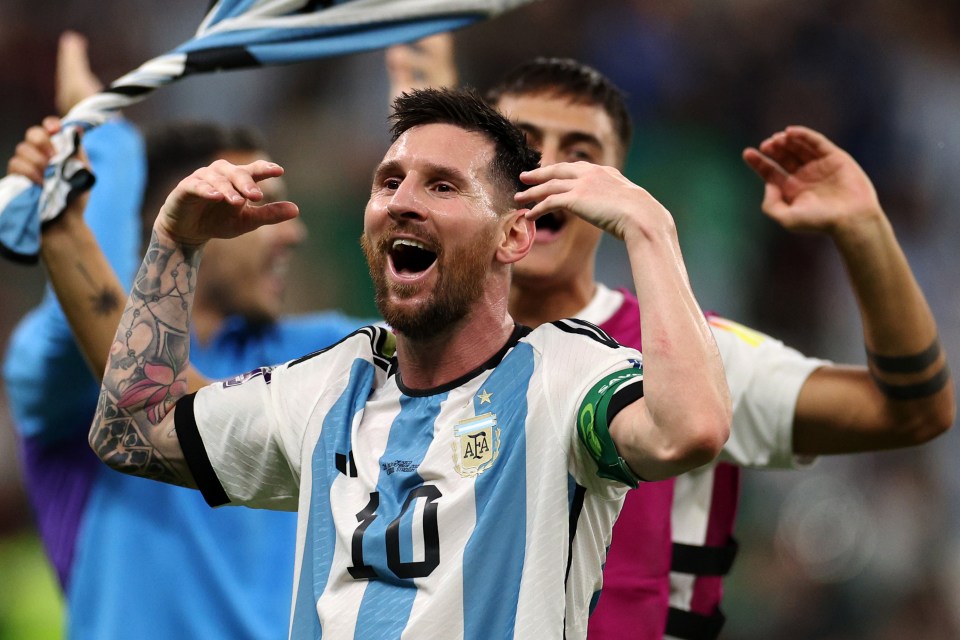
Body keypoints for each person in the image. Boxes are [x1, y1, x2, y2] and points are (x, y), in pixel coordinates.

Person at [86, 87, 731, 638]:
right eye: (389, 181)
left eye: (443, 185)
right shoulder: (328, 385)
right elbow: (130, 432)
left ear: (512, 234)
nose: (403, 201)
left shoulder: (564, 374)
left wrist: (651, 229)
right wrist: (174, 245)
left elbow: (690, 429)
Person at [478, 58, 954, 639]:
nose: (547, 166)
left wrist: (863, 228)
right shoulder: (410, 361)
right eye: (523, 144)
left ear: (613, 183)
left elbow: (913, 411)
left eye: (578, 152)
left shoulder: (695, 355)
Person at [3, 32, 366, 639]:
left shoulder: (319, 351)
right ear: (169, 213)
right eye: (258, 204)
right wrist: (110, 142)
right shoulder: (64, 375)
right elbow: (95, 319)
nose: (291, 233)